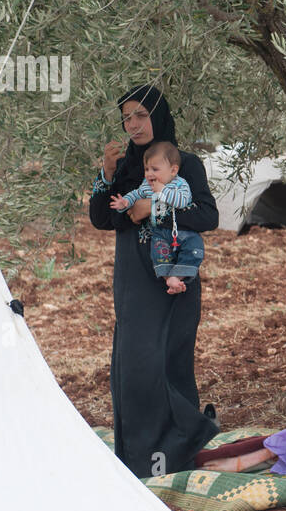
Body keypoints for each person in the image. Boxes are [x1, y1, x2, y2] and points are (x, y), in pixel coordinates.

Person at [89, 84, 219, 479]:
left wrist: (155, 205)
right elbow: (101, 218)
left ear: (158, 116)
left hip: (175, 278)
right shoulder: (126, 167)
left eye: (141, 115)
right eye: (126, 117)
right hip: (134, 279)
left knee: (171, 364)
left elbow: (208, 217)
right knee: (135, 366)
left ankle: (178, 453)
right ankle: (139, 460)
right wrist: (106, 176)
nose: (133, 124)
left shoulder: (185, 164)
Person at [109, 140, 206, 295]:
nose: (149, 174)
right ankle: (169, 277)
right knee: (159, 253)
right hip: (161, 232)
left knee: (194, 248)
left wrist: (162, 192)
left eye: (155, 169)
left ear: (173, 170)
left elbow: (182, 202)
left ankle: (179, 274)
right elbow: (137, 194)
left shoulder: (180, 184)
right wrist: (125, 202)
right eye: (146, 169)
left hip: (183, 232)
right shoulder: (147, 185)